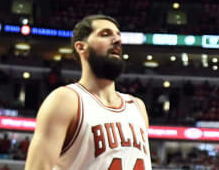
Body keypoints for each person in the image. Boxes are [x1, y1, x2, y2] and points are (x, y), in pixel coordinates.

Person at [25, 15, 151, 170]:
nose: (117, 40)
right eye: (105, 34)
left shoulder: (137, 107)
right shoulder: (66, 100)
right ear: (81, 47)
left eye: (118, 35)